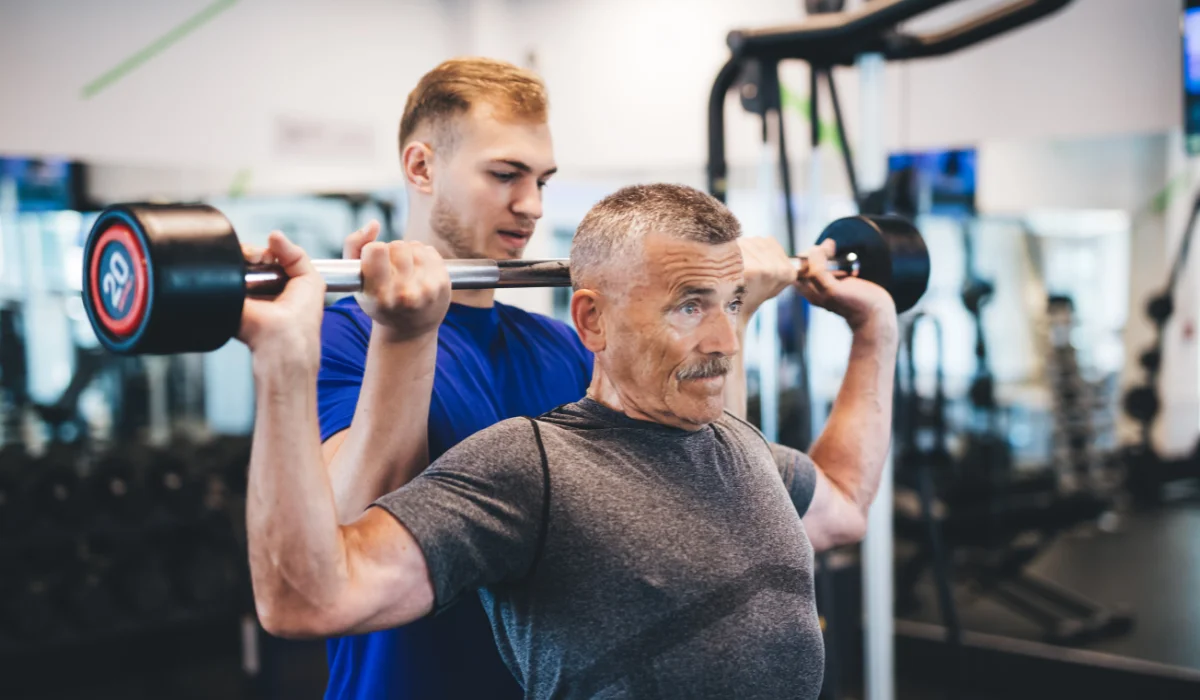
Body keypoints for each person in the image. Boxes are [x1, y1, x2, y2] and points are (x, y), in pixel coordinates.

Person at [241, 182, 897, 700]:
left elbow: (844, 504)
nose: (726, 343)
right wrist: (282, 359)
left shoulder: (742, 445)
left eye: (731, 303)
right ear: (592, 319)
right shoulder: (532, 467)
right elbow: (308, 599)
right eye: (689, 306)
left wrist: (876, 333)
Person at [313, 57, 801, 699]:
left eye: (542, 179)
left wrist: (739, 305)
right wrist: (402, 334)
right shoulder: (344, 336)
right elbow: (342, 537)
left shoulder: (561, 345)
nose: (533, 206)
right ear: (421, 167)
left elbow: (702, 473)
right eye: (505, 175)